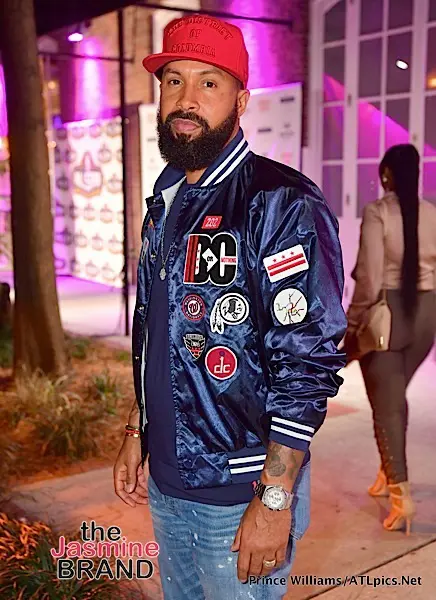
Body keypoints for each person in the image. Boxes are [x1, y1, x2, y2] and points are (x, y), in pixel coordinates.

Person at [114, 14, 346, 600]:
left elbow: (308, 360)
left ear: (240, 101)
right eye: (174, 81)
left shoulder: (281, 202)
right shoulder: (167, 199)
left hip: (239, 496)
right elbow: (159, 333)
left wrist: (275, 498)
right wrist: (139, 426)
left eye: (209, 83)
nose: (186, 99)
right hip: (168, 486)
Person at [345, 144, 436, 534]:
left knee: (388, 408)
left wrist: (352, 324)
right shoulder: (432, 213)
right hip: (426, 317)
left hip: (386, 316)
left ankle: (402, 498)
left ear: (385, 174)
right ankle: (387, 470)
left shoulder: (378, 212)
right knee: (394, 397)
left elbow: (369, 279)